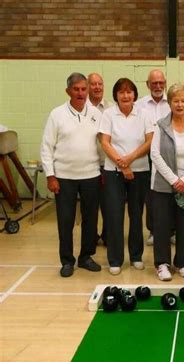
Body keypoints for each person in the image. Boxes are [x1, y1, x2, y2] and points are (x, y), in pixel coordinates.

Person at [40, 72, 102, 278]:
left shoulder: (96, 114)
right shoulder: (56, 114)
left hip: (91, 174)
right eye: (76, 89)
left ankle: (86, 257)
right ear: (68, 91)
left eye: (84, 89)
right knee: (65, 221)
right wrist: (50, 175)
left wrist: (104, 170)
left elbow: (103, 144)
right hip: (64, 177)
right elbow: (46, 147)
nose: (81, 93)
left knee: (91, 219)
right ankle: (67, 260)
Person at [150, 83, 184, 281]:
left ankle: (181, 263)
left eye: (183, 100)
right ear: (170, 103)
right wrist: (175, 180)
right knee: (162, 226)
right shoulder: (160, 125)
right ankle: (162, 264)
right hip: (164, 186)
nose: (179, 104)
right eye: (176, 100)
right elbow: (155, 155)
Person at [99, 78, 154, 275]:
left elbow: (149, 141)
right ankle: (115, 259)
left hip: (139, 171)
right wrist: (122, 165)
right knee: (114, 215)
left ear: (134, 95)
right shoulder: (108, 114)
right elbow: (105, 142)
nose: (125, 95)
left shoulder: (144, 114)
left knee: (136, 215)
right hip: (114, 172)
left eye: (129, 92)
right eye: (121, 92)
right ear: (116, 95)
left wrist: (129, 159)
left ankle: (136, 256)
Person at [135, 69, 171, 246]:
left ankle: (171, 230)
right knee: (151, 194)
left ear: (165, 83)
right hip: (147, 154)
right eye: (154, 83)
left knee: (170, 192)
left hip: (169, 154)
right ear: (148, 84)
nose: (158, 86)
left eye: (161, 82)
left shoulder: (172, 102)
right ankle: (153, 230)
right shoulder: (139, 104)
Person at [87, 73, 113, 246]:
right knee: (89, 205)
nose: (97, 87)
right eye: (93, 84)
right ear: (88, 86)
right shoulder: (82, 108)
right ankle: (90, 237)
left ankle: (107, 235)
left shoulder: (111, 108)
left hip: (106, 164)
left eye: (100, 84)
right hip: (87, 165)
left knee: (108, 203)